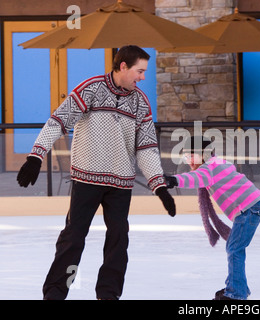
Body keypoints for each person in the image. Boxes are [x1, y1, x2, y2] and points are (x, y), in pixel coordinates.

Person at [16, 45, 176, 300]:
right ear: (123, 66)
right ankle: (55, 293)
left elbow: (146, 147)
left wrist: (159, 186)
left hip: (121, 183)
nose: (143, 77)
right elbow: (59, 120)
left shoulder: (140, 103)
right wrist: (36, 155)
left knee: (118, 239)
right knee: (74, 238)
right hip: (87, 179)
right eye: (140, 71)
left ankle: (108, 295)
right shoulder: (91, 89)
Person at [164, 136, 260, 300]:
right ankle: (237, 287)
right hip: (250, 207)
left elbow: (193, 178)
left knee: (234, 249)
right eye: (186, 156)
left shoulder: (209, 168)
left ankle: (236, 293)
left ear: (203, 154)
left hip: (249, 208)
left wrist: (173, 180)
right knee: (235, 248)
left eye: (191, 155)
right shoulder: (215, 164)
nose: (189, 160)